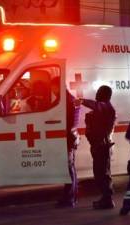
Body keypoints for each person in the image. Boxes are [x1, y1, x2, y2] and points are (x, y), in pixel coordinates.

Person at [78, 85, 116, 209]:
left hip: (102, 146)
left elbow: (96, 105)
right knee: (99, 173)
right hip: (97, 145)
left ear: (105, 95)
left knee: (103, 174)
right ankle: (105, 198)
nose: (97, 94)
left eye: (99, 92)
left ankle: (108, 199)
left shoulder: (107, 107)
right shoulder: (103, 109)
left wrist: (82, 101)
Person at [53, 77, 81, 208]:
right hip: (72, 137)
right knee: (70, 168)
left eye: (53, 87)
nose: (52, 90)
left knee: (69, 168)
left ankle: (70, 198)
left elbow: (65, 121)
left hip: (69, 137)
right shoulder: (69, 98)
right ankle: (71, 196)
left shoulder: (65, 101)